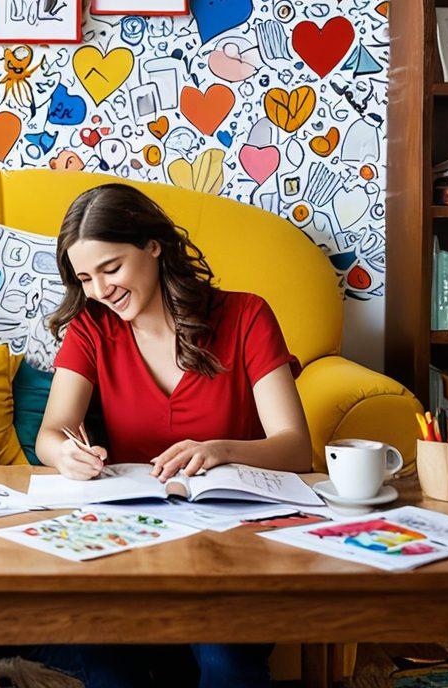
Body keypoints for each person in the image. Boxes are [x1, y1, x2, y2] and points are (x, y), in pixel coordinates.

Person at [36, 183, 314, 688]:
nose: (99, 290)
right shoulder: (91, 329)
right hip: (131, 540)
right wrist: (66, 456)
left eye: (111, 268)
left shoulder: (247, 316)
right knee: (107, 659)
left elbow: (296, 447)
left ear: (153, 246)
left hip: (233, 542)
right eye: (85, 278)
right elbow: (51, 433)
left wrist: (218, 452)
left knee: (227, 660)